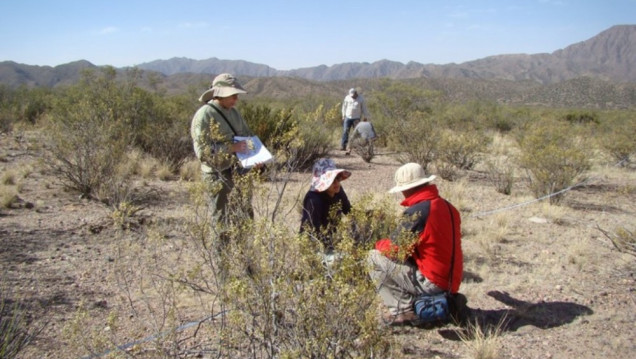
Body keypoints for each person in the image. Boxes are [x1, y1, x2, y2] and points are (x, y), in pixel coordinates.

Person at [367, 163, 463, 326]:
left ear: (408, 189)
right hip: (451, 282)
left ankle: (402, 311)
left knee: (373, 257)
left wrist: (378, 244)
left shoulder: (419, 211)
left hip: (433, 282)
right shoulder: (447, 206)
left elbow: (394, 250)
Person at [190, 73, 257, 225]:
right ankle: (220, 250)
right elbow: (203, 152)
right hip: (218, 175)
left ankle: (243, 249)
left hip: (240, 171)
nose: (236, 99)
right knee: (222, 221)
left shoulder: (234, 113)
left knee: (245, 217)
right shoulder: (204, 115)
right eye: (233, 95)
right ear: (220, 94)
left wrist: (257, 158)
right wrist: (231, 148)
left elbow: (248, 136)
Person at [300, 158, 352, 252]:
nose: (336, 183)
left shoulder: (338, 191)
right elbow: (314, 232)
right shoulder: (313, 200)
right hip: (314, 245)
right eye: (331, 180)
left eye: (337, 178)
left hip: (332, 239)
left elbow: (350, 212)